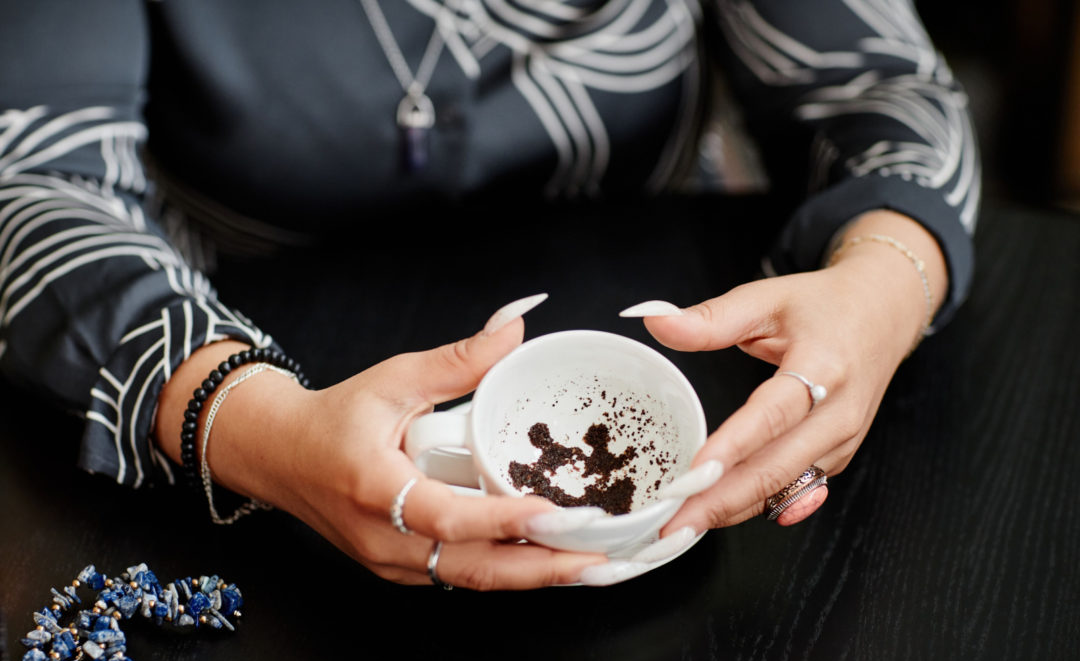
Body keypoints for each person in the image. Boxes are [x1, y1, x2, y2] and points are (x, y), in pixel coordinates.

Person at [0, 0, 978, 589]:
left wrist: (888, 275)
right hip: (248, 364)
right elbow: (33, 179)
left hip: (690, 351)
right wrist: (231, 413)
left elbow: (881, 89)